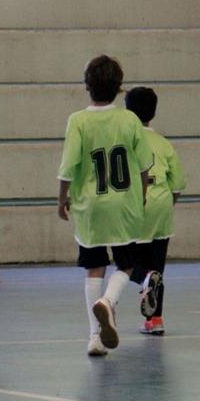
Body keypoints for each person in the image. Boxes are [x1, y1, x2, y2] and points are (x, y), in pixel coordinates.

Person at [57, 55, 156, 356]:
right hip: (124, 204)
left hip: (90, 206)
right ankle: (109, 301)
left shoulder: (78, 120)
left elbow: (68, 166)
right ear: (119, 87)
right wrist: (142, 195)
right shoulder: (130, 120)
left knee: (93, 268)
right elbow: (144, 166)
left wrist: (61, 199)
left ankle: (94, 339)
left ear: (87, 86)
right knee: (126, 264)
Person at [125, 86, 186, 336]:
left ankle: (145, 278)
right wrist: (167, 204)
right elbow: (178, 182)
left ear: (128, 111)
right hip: (162, 207)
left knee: (127, 263)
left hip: (136, 206)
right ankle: (155, 320)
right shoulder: (163, 143)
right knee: (158, 268)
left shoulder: (126, 141)